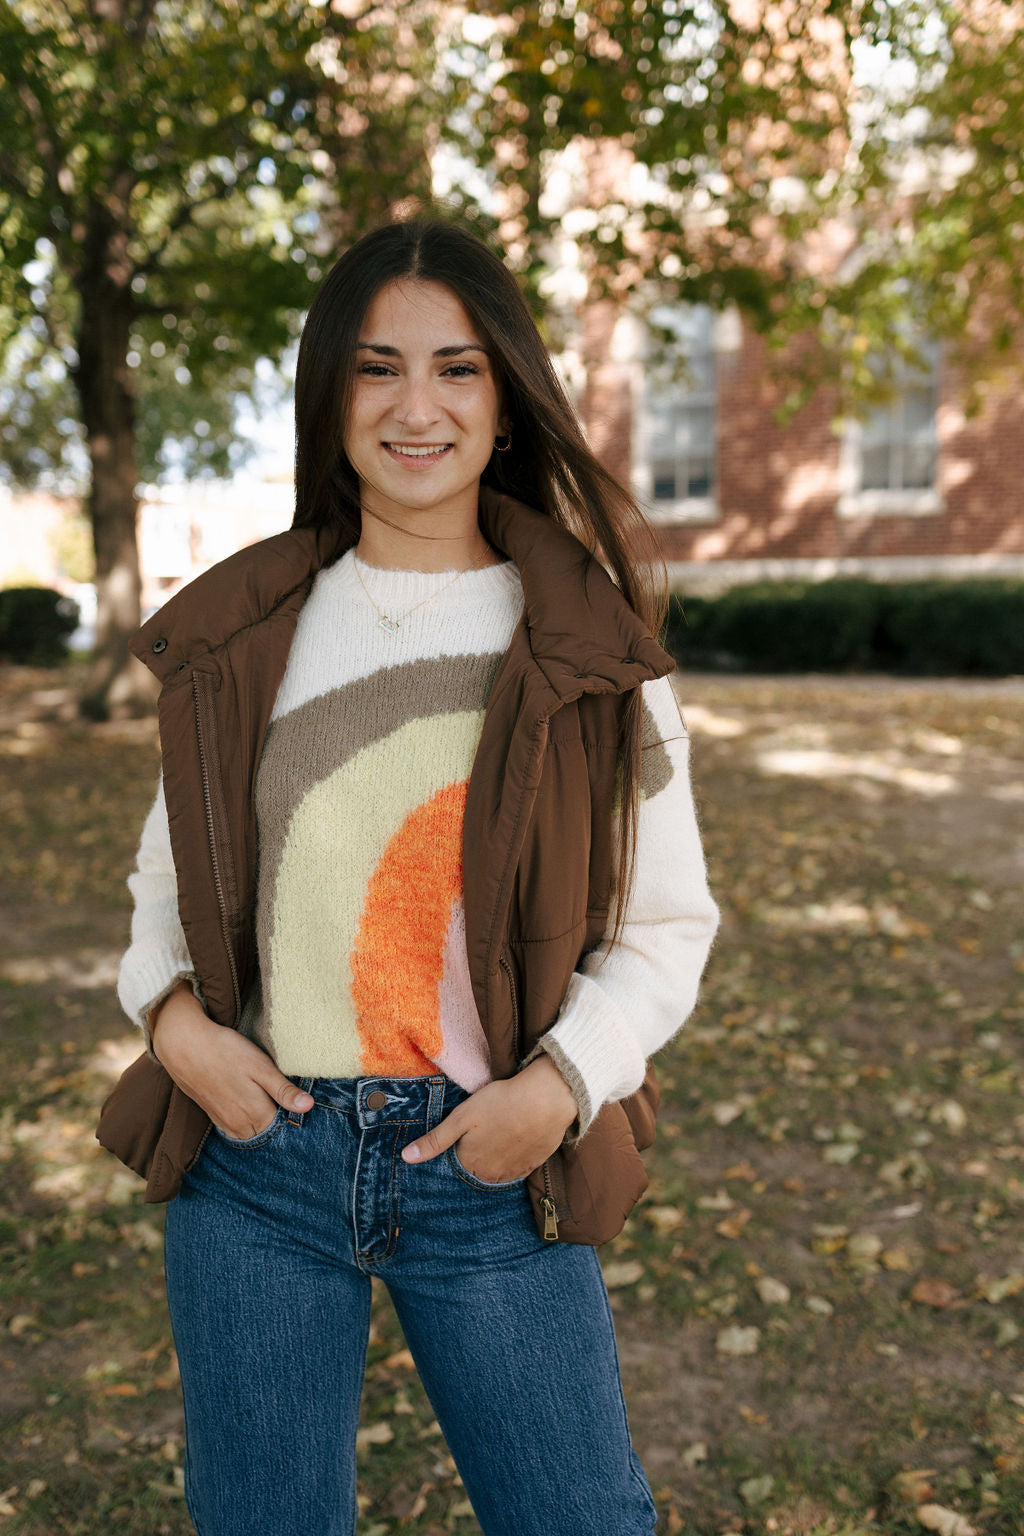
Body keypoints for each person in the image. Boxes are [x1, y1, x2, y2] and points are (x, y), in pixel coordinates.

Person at [98, 216, 719, 1536]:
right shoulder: (246, 634)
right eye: (378, 368)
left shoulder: (586, 641)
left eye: (458, 368)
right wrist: (178, 1032)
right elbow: (160, 885)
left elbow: (668, 923)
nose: (416, 406)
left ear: (507, 400)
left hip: (492, 1163)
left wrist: (556, 1090)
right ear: (331, 398)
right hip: (258, 1166)